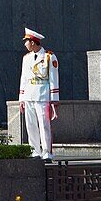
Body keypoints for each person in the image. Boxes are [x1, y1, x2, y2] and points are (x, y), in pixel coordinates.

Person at [18, 27, 59, 161]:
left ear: (33, 42)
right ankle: (35, 150)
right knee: (30, 125)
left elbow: (53, 79)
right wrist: (21, 99)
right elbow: (23, 79)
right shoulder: (26, 58)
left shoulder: (49, 56)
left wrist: (54, 99)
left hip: (42, 95)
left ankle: (47, 152)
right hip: (29, 95)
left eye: (27, 41)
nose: (25, 44)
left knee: (44, 124)